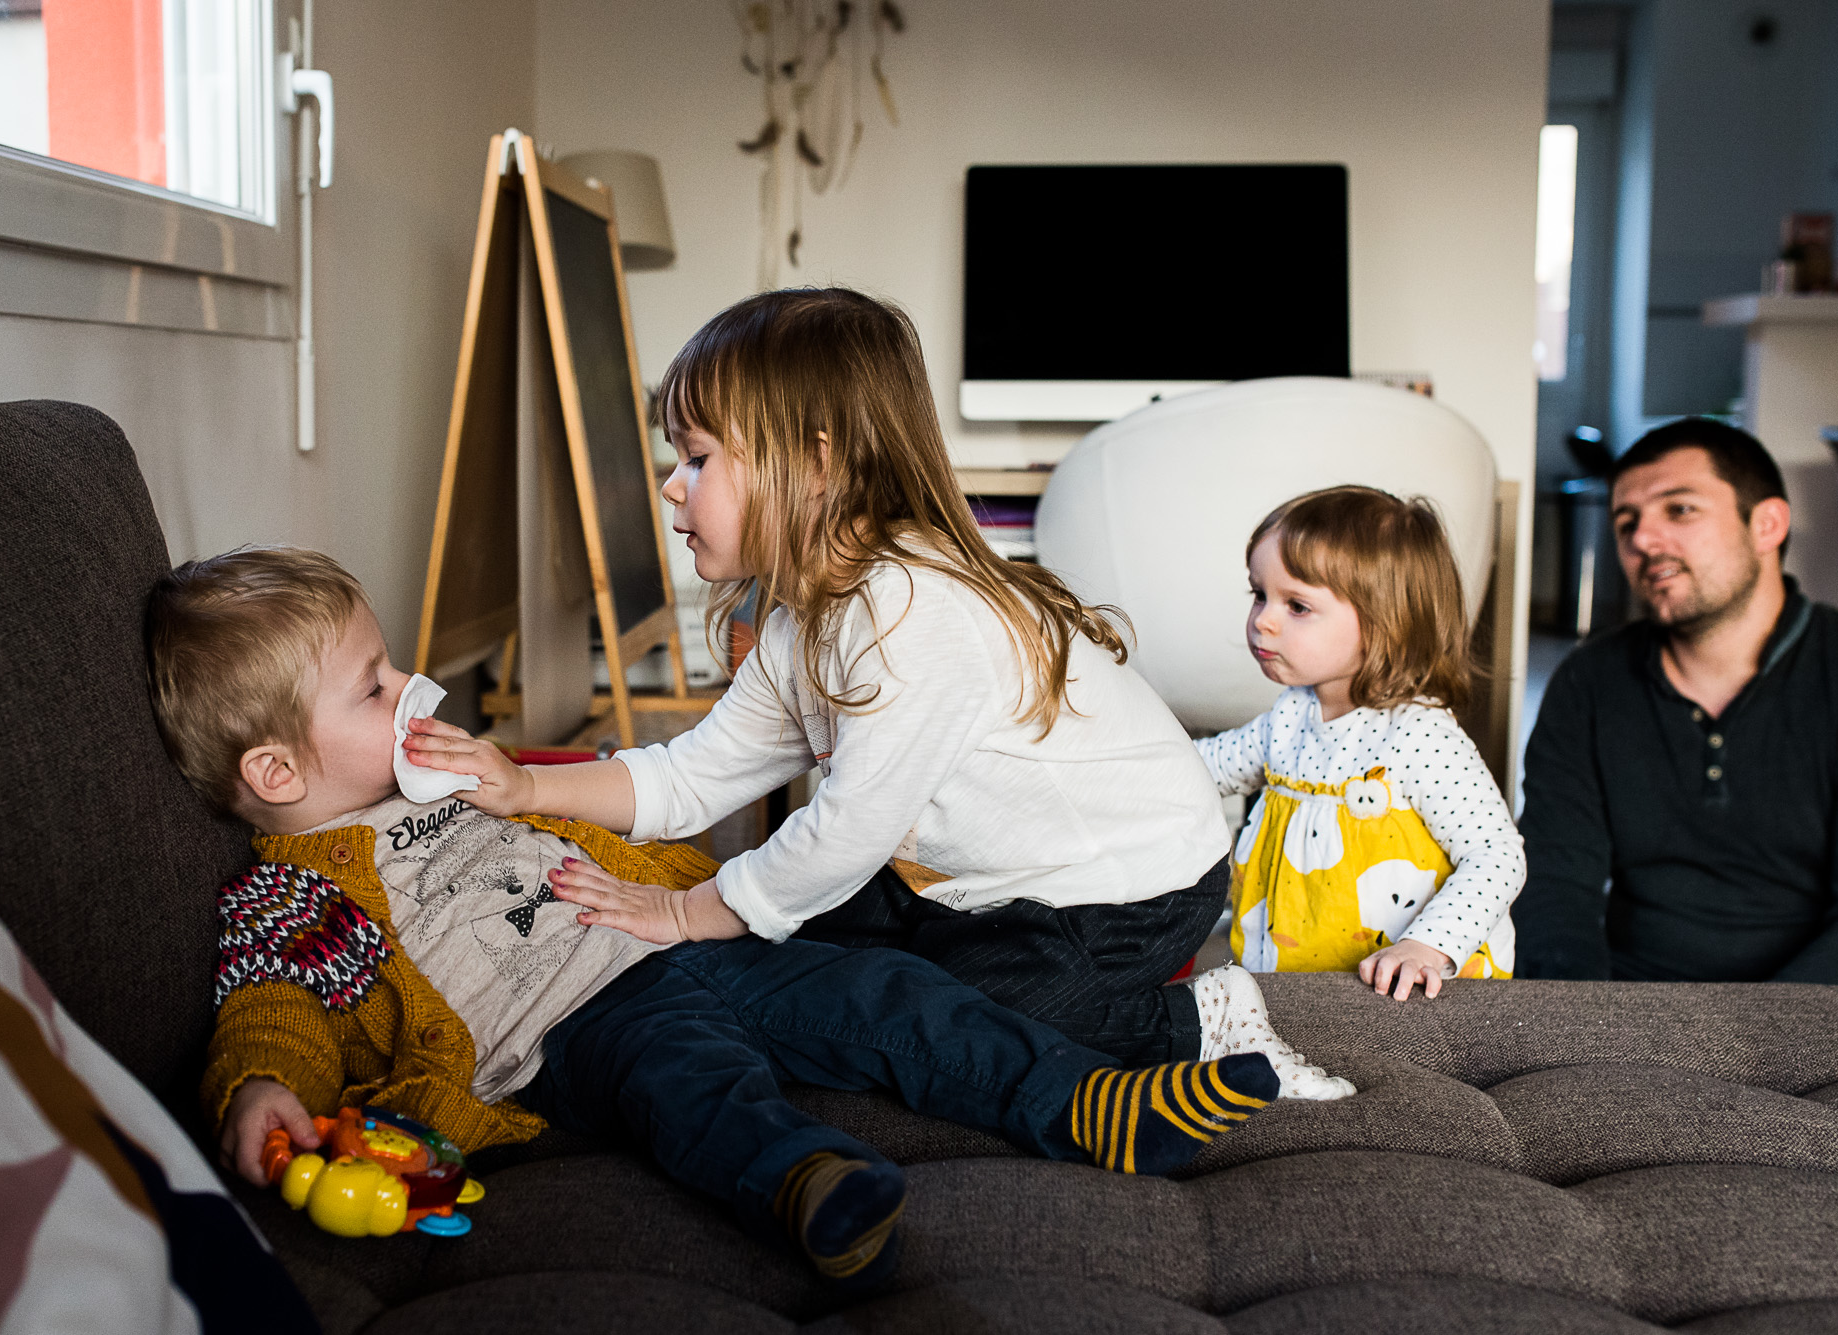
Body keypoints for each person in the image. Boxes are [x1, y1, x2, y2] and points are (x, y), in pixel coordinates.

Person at [149, 546, 1285, 1292]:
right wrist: (263, 1088)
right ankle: (806, 1182)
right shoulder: (289, 895)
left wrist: (686, 878)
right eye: (373, 686)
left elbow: (621, 814)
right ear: (278, 772)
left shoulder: (449, 783)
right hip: (570, 1028)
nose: (412, 690)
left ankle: (1085, 1102)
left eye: (389, 666)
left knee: (888, 994)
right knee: (689, 1082)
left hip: (672, 936)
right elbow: (272, 1009)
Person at [406, 286, 1350, 1096]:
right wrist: (525, 785)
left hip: (1126, 886)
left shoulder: (912, 610)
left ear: (815, 464)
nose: (668, 486)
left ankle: (1196, 1022)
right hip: (964, 879)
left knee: (942, 1024)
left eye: (697, 457)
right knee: (802, 970)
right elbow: (693, 779)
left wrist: (689, 912)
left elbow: (846, 828)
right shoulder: (800, 618)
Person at [1513, 418, 1838, 995]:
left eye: (1680, 510)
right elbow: (1554, 886)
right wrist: (1588, 1027)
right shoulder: (1588, 683)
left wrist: (1740, 1049)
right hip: (1647, 1001)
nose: (1642, 540)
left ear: (1767, 524)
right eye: (1626, 523)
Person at [1197, 487, 1526, 1001]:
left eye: (1298, 605)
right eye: (1259, 594)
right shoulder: (1289, 717)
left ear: (1383, 626)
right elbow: (1202, 769)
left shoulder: (1419, 736)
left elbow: (1496, 855)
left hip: (1404, 991)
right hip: (1291, 979)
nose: (1263, 619)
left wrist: (1427, 945)